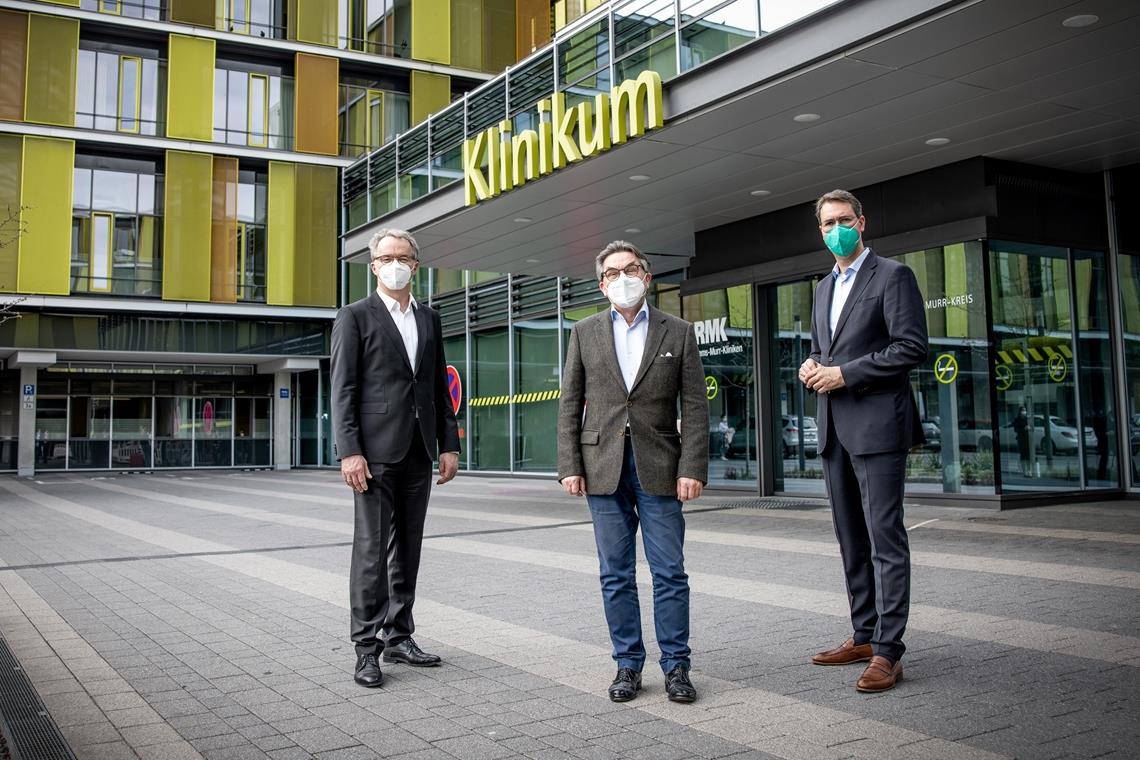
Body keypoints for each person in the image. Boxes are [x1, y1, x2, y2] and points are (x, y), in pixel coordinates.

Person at [557, 241, 709, 704]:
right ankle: (627, 664)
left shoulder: (678, 331)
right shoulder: (584, 332)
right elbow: (569, 403)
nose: (623, 278)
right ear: (602, 283)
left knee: (670, 572)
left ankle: (677, 666)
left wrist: (693, 467)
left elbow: (696, 406)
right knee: (615, 575)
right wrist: (569, 465)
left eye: (631, 269)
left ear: (646, 275)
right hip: (601, 469)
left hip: (661, 467)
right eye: (613, 272)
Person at [798, 190, 928, 693]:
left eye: (844, 221)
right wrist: (812, 365)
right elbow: (822, 348)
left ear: (862, 223)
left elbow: (911, 346)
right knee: (851, 538)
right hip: (834, 427)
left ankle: (890, 651)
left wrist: (845, 375)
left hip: (877, 427)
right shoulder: (822, 286)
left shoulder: (892, 276)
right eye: (828, 223)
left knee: (884, 539)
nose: (836, 230)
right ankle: (864, 634)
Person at [330, 228, 461, 688]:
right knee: (371, 551)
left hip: (418, 450)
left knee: (408, 548)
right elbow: (343, 390)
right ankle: (367, 648)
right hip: (373, 454)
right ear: (374, 266)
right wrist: (350, 452)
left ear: (416, 265)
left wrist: (449, 444)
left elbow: (436, 388)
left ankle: (399, 636)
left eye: (403, 257)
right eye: (387, 257)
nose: (396, 263)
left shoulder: (429, 319)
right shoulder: (354, 316)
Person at [1013, 405, 1031, 476]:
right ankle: (1024, 471)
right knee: (1023, 455)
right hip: (1021, 439)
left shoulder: (1028, 419)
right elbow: (1016, 429)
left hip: (1028, 439)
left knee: (1028, 455)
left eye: (1025, 410)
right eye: (1023, 410)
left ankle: (1029, 470)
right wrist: (1024, 428)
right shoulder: (1017, 419)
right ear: (1020, 412)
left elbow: (1032, 428)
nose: (1024, 412)